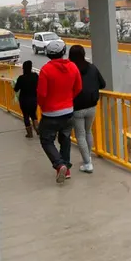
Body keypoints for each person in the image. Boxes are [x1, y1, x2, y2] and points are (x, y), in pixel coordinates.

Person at [36, 39, 82, 183]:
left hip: (50, 113)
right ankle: (66, 169)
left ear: (48, 54)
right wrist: (69, 100)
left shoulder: (45, 70)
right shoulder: (73, 67)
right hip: (68, 112)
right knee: (65, 139)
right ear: (63, 52)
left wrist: (43, 106)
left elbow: (42, 94)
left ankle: (59, 164)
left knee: (46, 140)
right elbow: (78, 88)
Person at [69, 45, 106, 173]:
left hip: (77, 108)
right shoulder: (92, 67)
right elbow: (103, 84)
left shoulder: (71, 70)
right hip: (92, 106)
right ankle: (87, 157)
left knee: (80, 135)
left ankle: (87, 163)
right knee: (88, 131)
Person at [14, 60, 40, 138]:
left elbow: (16, 89)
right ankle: (38, 129)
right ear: (31, 67)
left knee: (26, 116)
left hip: (24, 100)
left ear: (23, 68)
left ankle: (29, 133)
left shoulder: (21, 78)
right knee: (33, 115)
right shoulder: (35, 76)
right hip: (34, 99)